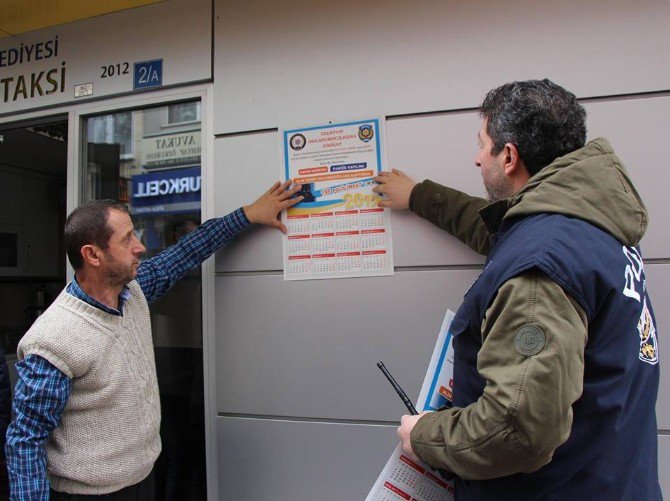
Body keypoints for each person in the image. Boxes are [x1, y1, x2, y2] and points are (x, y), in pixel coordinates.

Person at [373, 79, 661, 500]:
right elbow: (499, 228)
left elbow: (518, 430)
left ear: (508, 155)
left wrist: (425, 436)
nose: (475, 158)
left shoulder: (539, 268)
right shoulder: (588, 227)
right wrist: (419, 196)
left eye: (481, 143)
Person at [4, 181, 302, 500]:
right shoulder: (54, 339)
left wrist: (247, 214)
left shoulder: (132, 293)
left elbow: (186, 252)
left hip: (143, 481)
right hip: (90, 495)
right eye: (127, 239)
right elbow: (25, 442)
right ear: (92, 255)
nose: (140, 247)